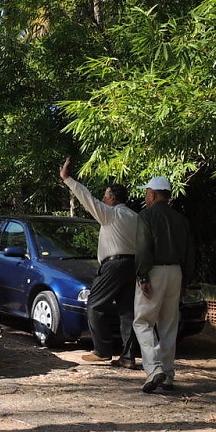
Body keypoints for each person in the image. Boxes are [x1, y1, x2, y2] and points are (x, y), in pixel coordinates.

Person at [60, 157, 140, 368]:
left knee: (95, 305)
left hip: (113, 264)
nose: (103, 200)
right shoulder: (136, 217)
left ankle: (102, 351)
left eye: (105, 196)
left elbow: (87, 199)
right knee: (127, 311)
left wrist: (68, 179)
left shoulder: (111, 214)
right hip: (133, 265)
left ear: (112, 199)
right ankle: (128, 357)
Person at [133, 176, 196, 393]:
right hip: (176, 273)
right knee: (169, 325)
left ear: (152, 194)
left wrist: (142, 276)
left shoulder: (146, 216)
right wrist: (185, 281)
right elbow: (190, 253)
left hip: (154, 271)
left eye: (147, 193)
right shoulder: (181, 219)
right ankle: (168, 375)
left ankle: (153, 368)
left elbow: (143, 247)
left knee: (142, 322)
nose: (145, 197)